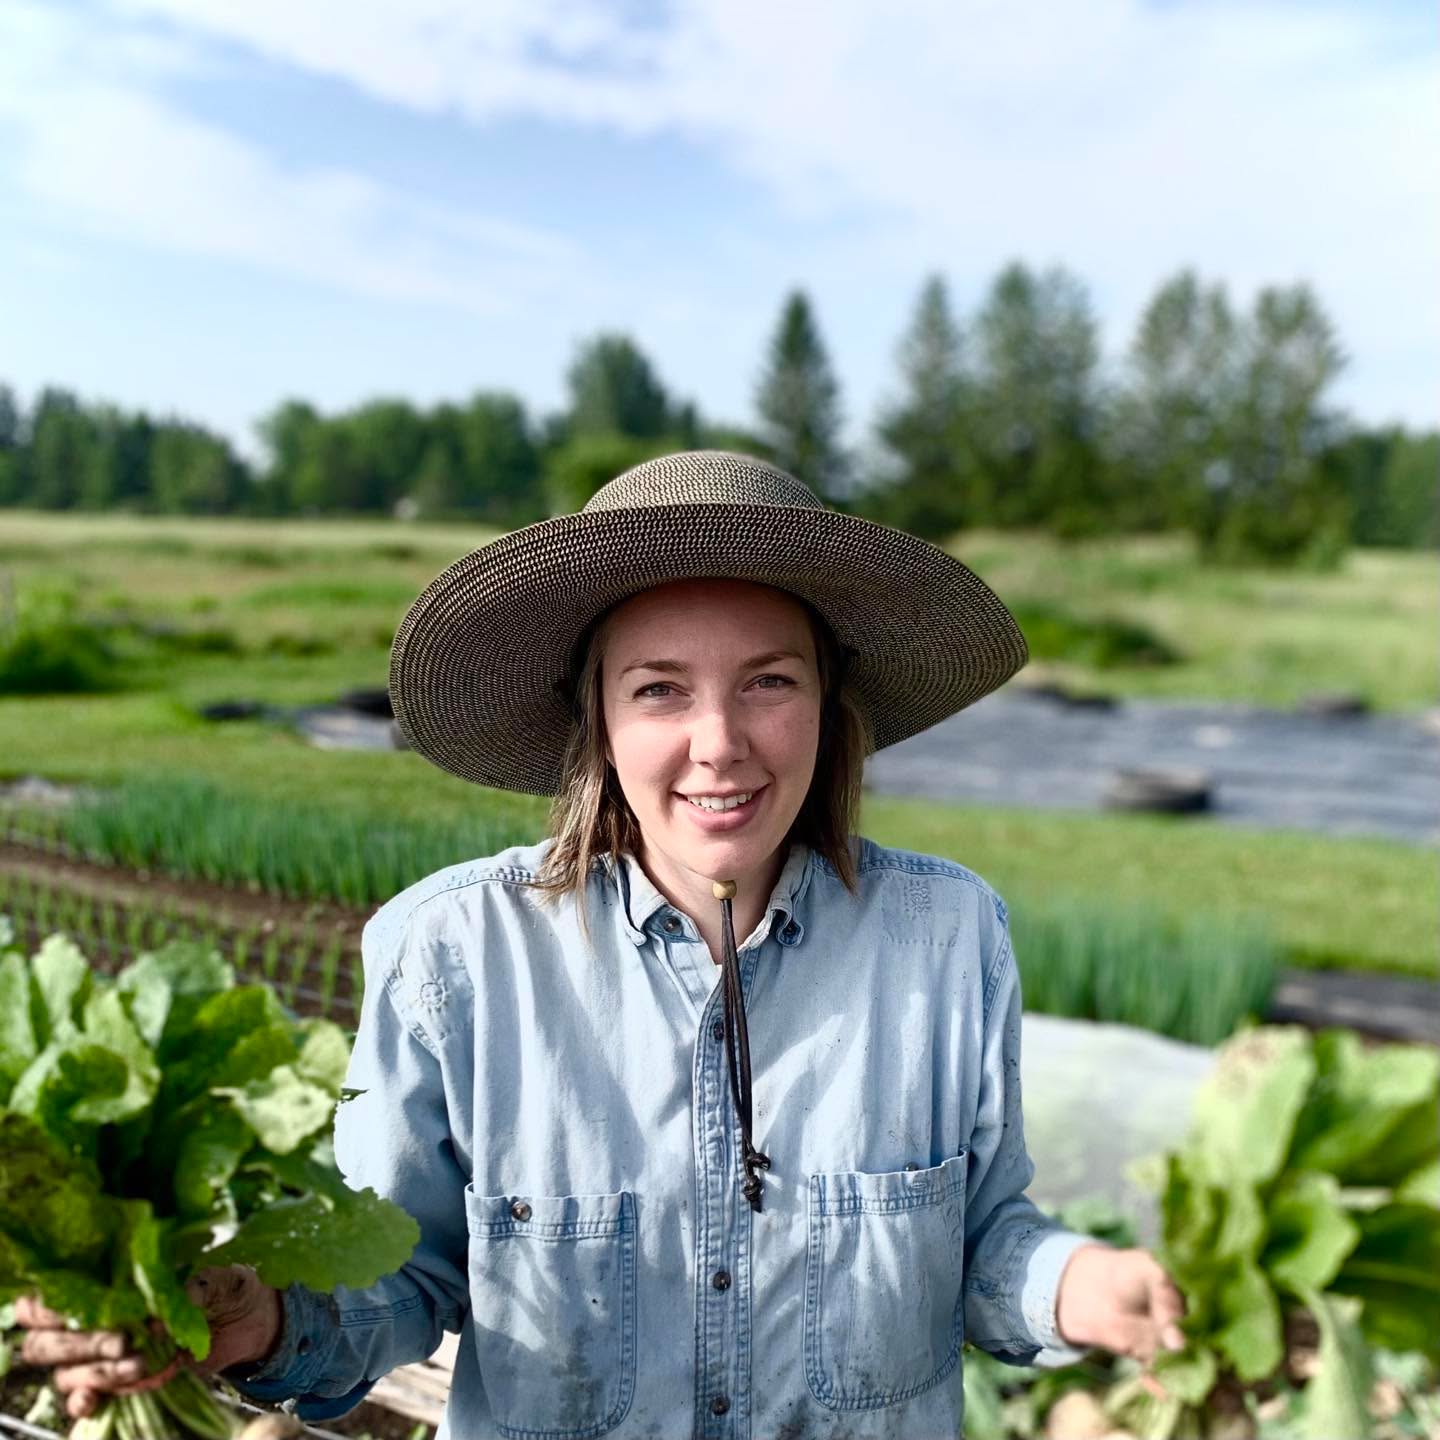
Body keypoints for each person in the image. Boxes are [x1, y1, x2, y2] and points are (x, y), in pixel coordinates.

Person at [17, 451, 1187, 1437]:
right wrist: (259, 1316)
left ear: (832, 706)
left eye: (769, 682)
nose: (720, 743)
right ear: (598, 723)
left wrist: (1089, 1285)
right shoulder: (455, 957)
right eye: (661, 691)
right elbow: (402, 1274)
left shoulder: (946, 938)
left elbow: (985, 1245)